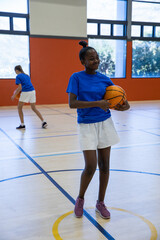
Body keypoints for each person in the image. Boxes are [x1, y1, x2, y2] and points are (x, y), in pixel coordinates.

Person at [66, 41, 130, 219]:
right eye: (91, 58)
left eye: (97, 58)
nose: (96, 61)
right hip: (86, 124)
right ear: (83, 61)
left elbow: (120, 100)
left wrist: (123, 105)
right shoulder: (76, 77)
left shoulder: (104, 79)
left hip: (105, 123)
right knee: (91, 166)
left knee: (105, 166)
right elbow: (72, 103)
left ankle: (100, 203)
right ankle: (80, 199)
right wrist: (97, 103)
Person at [11, 65, 48, 129]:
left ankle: (22, 125)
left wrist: (14, 95)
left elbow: (20, 88)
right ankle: (43, 121)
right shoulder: (27, 75)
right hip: (33, 91)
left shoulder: (18, 76)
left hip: (26, 92)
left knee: (19, 108)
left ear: (16, 70)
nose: (15, 72)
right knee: (34, 108)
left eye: (15, 71)